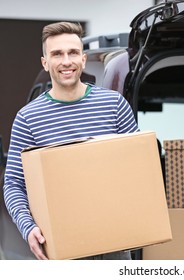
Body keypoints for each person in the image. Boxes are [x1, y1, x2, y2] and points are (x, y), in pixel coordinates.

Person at [3, 22, 139, 260]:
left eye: (73, 53)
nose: (66, 61)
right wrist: (29, 228)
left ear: (83, 60)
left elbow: (139, 168)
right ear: (45, 63)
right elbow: (14, 183)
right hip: (60, 247)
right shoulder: (28, 118)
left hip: (115, 244)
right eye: (57, 54)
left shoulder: (114, 105)